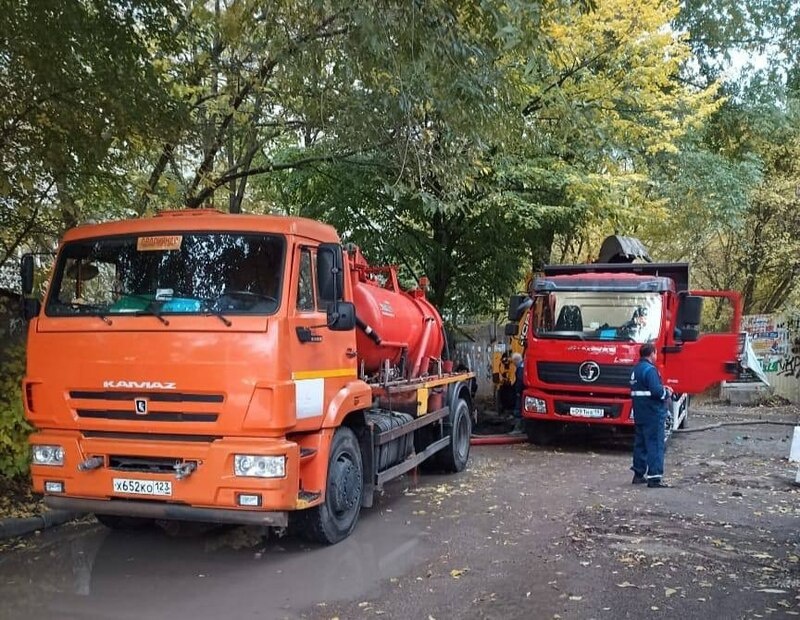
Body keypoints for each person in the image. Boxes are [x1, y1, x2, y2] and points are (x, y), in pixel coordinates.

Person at [630, 343, 673, 488]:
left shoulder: (636, 370)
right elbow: (656, 392)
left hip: (640, 412)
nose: (656, 356)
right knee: (655, 444)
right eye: (656, 353)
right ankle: (654, 478)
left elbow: (642, 389)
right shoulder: (650, 370)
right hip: (653, 413)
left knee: (640, 444)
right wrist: (666, 392)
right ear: (652, 353)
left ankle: (638, 474)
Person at [510, 352, 525, 435]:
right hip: (523, 391)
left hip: (521, 392)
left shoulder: (520, 369)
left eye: (513, 362)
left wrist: (518, 391)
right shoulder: (524, 366)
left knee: (518, 410)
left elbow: (520, 381)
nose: (513, 364)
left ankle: (518, 429)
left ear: (516, 361)